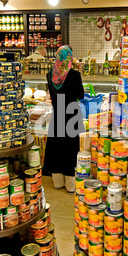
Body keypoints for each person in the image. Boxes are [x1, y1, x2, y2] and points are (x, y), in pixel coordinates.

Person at [42, 45, 85, 193]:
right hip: (72, 115)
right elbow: (81, 95)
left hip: (58, 114)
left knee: (57, 149)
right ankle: (71, 185)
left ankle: (58, 183)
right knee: (71, 150)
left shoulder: (50, 75)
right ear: (69, 58)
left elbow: (52, 97)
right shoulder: (74, 75)